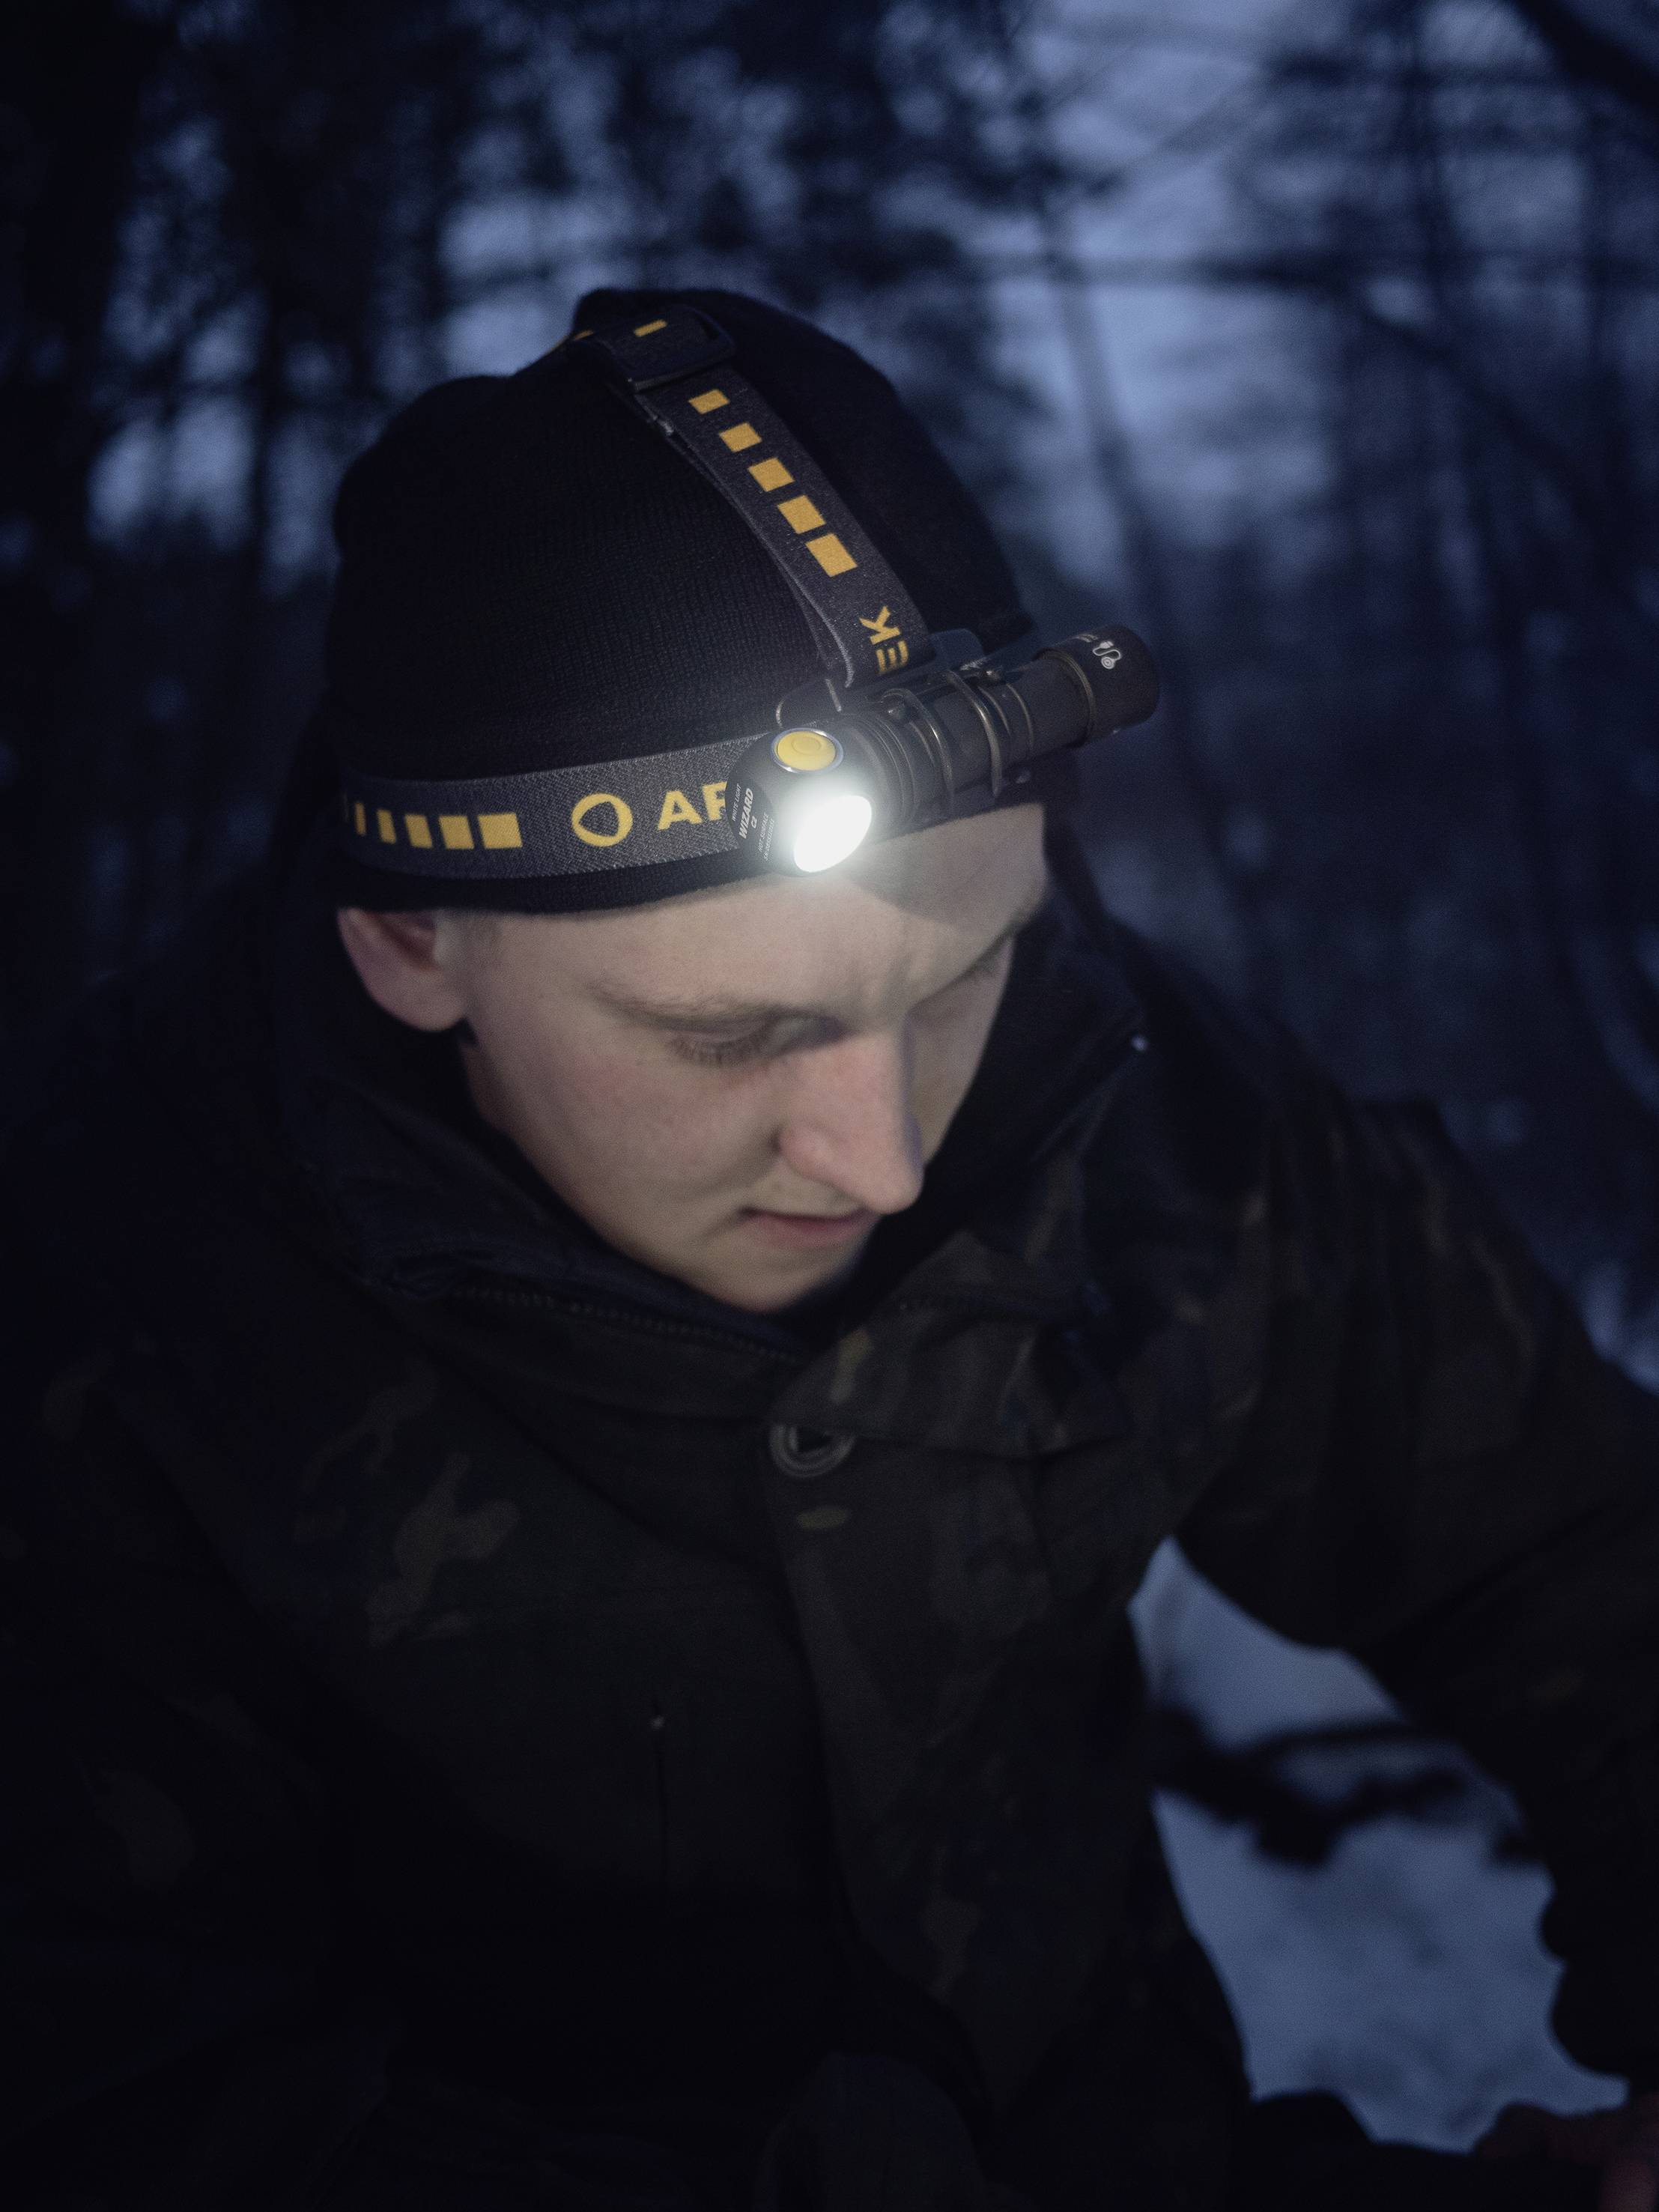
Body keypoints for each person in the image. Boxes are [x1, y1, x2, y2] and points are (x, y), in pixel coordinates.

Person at [3, 287, 1658, 2212]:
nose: (880, 1153)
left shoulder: (1125, 1079)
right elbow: (119, 2108)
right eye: (730, 1034)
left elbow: (1578, 1548)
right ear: (408, 941)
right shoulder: (94, 1308)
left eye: (961, 972)